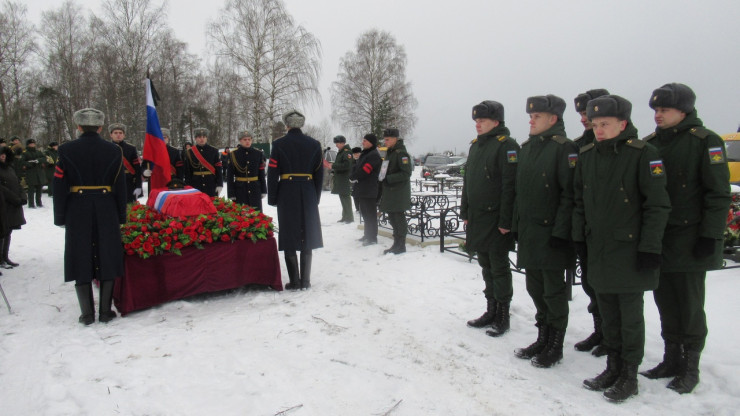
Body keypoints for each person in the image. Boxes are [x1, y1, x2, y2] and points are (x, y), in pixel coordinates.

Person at [573, 95, 670, 402]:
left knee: (629, 316)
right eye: (595, 124)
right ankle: (612, 366)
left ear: (623, 124)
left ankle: (629, 373)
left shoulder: (644, 154)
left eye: (605, 124)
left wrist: (650, 247)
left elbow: (657, 205)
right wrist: (578, 238)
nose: (598, 130)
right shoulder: (587, 155)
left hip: (629, 250)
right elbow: (580, 201)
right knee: (608, 313)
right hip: (598, 248)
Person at [640, 83, 731, 394]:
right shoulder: (651, 144)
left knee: (689, 306)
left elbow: (718, 194)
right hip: (660, 238)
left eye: (664, 110)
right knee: (665, 301)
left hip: (691, 239)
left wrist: (710, 235)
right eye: (656, 110)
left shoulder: (705, 142)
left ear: (684, 110)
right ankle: (671, 358)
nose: (658, 115)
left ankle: (690, 366)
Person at [513, 95, 577, 367]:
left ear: (553, 119)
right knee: (534, 287)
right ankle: (543, 335)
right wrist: (517, 226)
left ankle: (555, 343)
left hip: (551, 235)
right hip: (530, 233)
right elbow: (520, 192)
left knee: (553, 291)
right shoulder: (527, 148)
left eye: (536, 116)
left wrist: (561, 233)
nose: (531, 120)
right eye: (531, 116)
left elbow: (569, 195)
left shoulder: (565, 148)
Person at [53, 108, 127, 325]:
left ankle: (87, 314)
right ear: (101, 127)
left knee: (80, 253)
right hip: (106, 207)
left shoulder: (66, 150)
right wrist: (121, 215)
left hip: (77, 208)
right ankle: (105, 311)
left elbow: (59, 186)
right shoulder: (114, 151)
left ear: (78, 126)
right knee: (107, 253)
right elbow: (120, 186)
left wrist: (60, 216)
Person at [462, 101, 518, 337]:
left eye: (482, 121)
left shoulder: (507, 146)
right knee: (485, 265)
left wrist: (506, 221)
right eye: (476, 121)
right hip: (478, 218)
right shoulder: (476, 146)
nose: (478, 124)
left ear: (496, 122)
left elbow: (510, 186)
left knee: (499, 266)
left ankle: (503, 314)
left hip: (496, 220)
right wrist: (465, 212)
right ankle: (491, 309)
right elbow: (468, 182)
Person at [572, 88, 610, 357]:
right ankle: (600, 330)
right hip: (588, 229)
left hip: (612, 230)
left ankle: (612, 336)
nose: (584, 118)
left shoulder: (615, 140)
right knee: (590, 283)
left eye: (587, 113)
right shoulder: (580, 144)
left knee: (610, 289)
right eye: (582, 114)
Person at [267, 109, 323, 290]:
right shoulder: (314, 144)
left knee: (289, 232)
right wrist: (315, 196)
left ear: (287, 125)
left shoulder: (279, 144)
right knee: (307, 231)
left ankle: (295, 281)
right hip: (308, 191)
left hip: (287, 191)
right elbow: (319, 174)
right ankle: (305, 281)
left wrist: (273, 197)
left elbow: (273, 173)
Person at [379, 128, 412, 254]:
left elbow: (406, 173)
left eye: (387, 139)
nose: (385, 141)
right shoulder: (390, 152)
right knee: (392, 217)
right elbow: (385, 167)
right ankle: (396, 243)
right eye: (385, 139)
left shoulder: (401, 153)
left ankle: (401, 244)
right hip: (390, 190)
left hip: (398, 192)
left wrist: (389, 179)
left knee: (398, 217)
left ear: (395, 139)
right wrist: (381, 176)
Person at [350, 134, 382, 246]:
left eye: (365, 141)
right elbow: (356, 166)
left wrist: (354, 176)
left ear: (371, 142)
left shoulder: (373, 155)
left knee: (370, 214)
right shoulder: (365, 153)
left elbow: (365, 170)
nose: (362, 142)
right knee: (364, 213)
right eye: (363, 140)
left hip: (370, 188)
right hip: (363, 188)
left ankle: (372, 237)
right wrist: (353, 174)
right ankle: (367, 234)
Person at [227, 130, 267, 211]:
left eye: (249, 139)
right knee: (241, 216)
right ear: (240, 140)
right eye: (245, 140)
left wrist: (263, 190)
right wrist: (231, 193)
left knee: (257, 216)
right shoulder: (233, 154)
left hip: (255, 189)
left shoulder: (258, 153)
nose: (247, 141)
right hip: (240, 190)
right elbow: (230, 176)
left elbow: (261, 174)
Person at [0, 146, 26, 269]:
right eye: (1, 154)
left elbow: (17, 183)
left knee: (8, 231)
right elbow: (2, 189)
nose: (3, 156)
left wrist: (22, 196)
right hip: (3, 204)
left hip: (13, 205)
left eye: (4, 154)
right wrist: (14, 198)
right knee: (2, 231)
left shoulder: (10, 168)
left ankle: (5, 256)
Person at [143, 128, 185, 194]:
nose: (162, 139)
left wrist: (179, 182)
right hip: (155, 181)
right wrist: (144, 172)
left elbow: (180, 169)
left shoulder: (174, 151)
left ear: (168, 139)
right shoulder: (151, 151)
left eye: (165, 137)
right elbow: (144, 166)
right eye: (160, 137)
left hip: (171, 181)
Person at [184, 128, 223, 197]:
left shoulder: (214, 150)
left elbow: (218, 169)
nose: (202, 139)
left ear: (207, 138)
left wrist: (219, 184)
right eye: (199, 137)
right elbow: (188, 171)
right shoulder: (190, 152)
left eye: (204, 137)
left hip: (211, 183)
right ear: (195, 138)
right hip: (196, 184)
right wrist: (188, 186)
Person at [109, 123, 142, 203]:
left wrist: (138, 186)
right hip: (112, 182)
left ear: (124, 135)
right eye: (115, 133)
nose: (118, 135)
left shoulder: (131, 148)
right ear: (111, 135)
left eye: (120, 133)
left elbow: (137, 169)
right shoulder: (106, 148)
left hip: (128, 182)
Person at [331, 135, 354, 223]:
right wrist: (334, 169)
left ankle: (349, 217)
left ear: (342, 143)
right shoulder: (341, 152)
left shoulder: (347, 152)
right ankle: (345, 216)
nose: (336, 145)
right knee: (342, 197)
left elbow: (347, 165)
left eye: (337, 143)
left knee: (346, 198)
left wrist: (333, 166)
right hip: (340, 178)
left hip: (344, 178)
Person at [20, 139, 47, 208]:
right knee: (31, 190)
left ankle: (39, 202)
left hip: (39, 173)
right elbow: (22, 162)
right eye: (31, 144)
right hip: (31, 173)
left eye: (33, 144)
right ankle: (31, 204)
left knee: (39, 189)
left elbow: (44, 158)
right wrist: (30, 164)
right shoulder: (25, 153)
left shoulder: (38, 152)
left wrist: (38, 160)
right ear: (28, 145)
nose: (32, 145)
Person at [351, 146, 362, 212]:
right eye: (354, 154)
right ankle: (357, 208)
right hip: (354, 181)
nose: (355, 155)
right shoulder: (353, 161)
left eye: (356, 154)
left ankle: (360, 208)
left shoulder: (362, 160)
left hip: (360, 181)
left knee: (359, 195)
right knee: (355, 195)